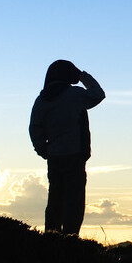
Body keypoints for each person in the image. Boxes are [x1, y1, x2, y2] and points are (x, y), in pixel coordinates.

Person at [28, 60, 105, 235]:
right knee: (74, 201)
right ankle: (70, 238)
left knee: (55, 198)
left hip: (54, 156)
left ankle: (51, 236)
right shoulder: (74, 95)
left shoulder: (41, 100)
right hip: (75, 155)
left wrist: (42, 149)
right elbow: (98, 94)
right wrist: (82, 76)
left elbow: (35, 128)